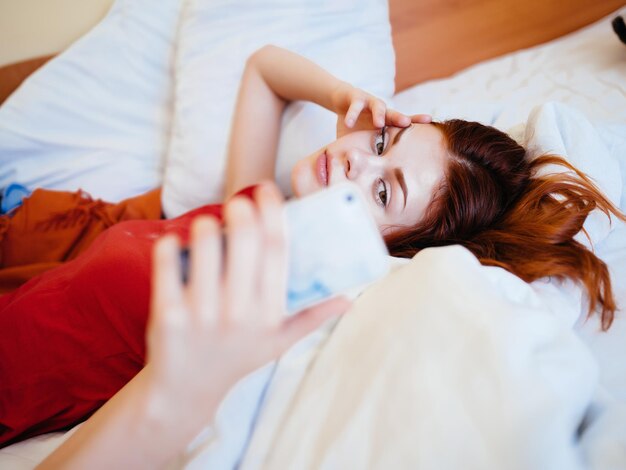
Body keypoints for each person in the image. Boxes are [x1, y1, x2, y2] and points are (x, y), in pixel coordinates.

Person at [0, 45, 623, 463]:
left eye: (383, 190)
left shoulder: (248, 314)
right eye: (384, 140)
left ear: (387, 251)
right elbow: (265, 70)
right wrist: (343, 99)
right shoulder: (255, 213)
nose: (359, 156)